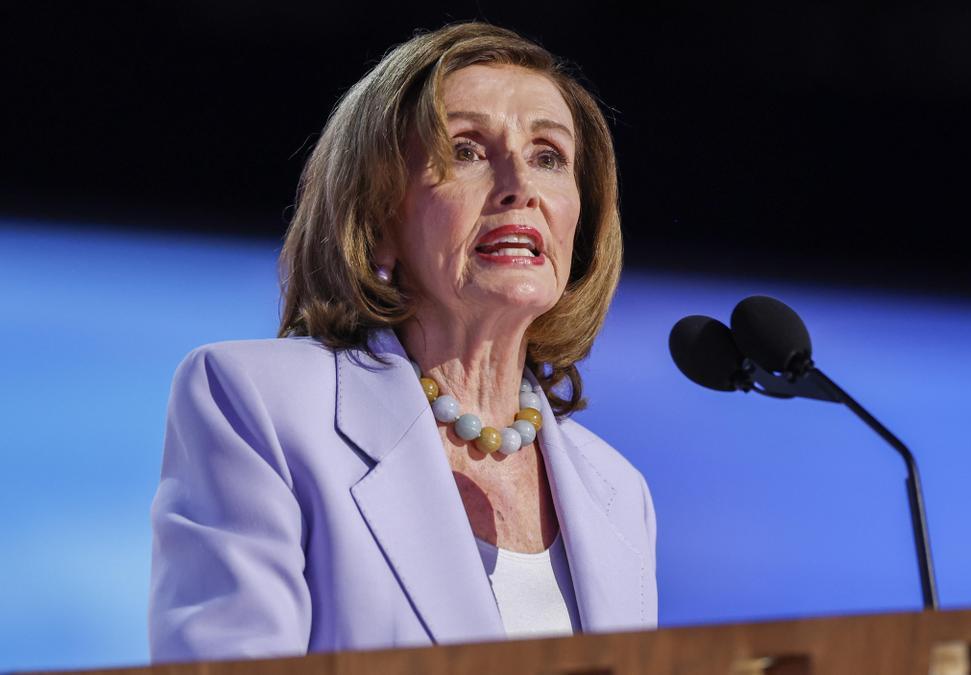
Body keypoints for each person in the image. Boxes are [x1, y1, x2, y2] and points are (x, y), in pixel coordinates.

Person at [148, 22, 656, 663]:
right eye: (468, 150)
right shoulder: (260, 405)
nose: (519, 185)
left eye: (548, 155)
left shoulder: (616, 490)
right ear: (377, 217)